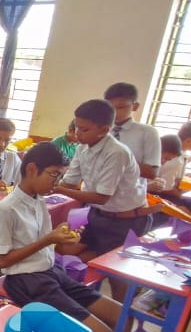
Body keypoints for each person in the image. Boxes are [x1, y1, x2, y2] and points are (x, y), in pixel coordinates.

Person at [0, 143, 134, 332]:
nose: (56, 182)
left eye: (59, 176)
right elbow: (3, 261)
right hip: (26, 279)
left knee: (123, 317)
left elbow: (48, 246)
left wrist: (63, 238)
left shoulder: (38, 202)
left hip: (49, 272)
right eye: (53, 175)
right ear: (32, 169)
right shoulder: (7, 208)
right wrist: (48, 239)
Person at [53, 99, 152, 259]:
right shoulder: (82, 148)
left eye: (84, 129)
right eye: (77, 127)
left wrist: (58, 189)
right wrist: (49, 186)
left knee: (98, 265)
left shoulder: (116, 153)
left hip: (126, 222)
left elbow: (101, 198)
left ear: (104, 130)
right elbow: (69, 182)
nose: (78, 133)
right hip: (97, 214)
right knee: (64, 250)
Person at [103, 82, 160, 180]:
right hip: (97, 187)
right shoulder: (99, 129)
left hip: (129, 189)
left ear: (135, 106)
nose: (114, 112)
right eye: (110, 107)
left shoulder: (148, 132)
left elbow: (152, 172)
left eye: (120, 107)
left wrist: (117, 160)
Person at [148, 134, 185, 199]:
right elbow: (128, 186)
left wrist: (151, 182)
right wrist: (147, 186)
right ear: (157, 149)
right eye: (165, 158)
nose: (163, 163)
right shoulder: (139, 159)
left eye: (167, 160)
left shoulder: (152, 164)